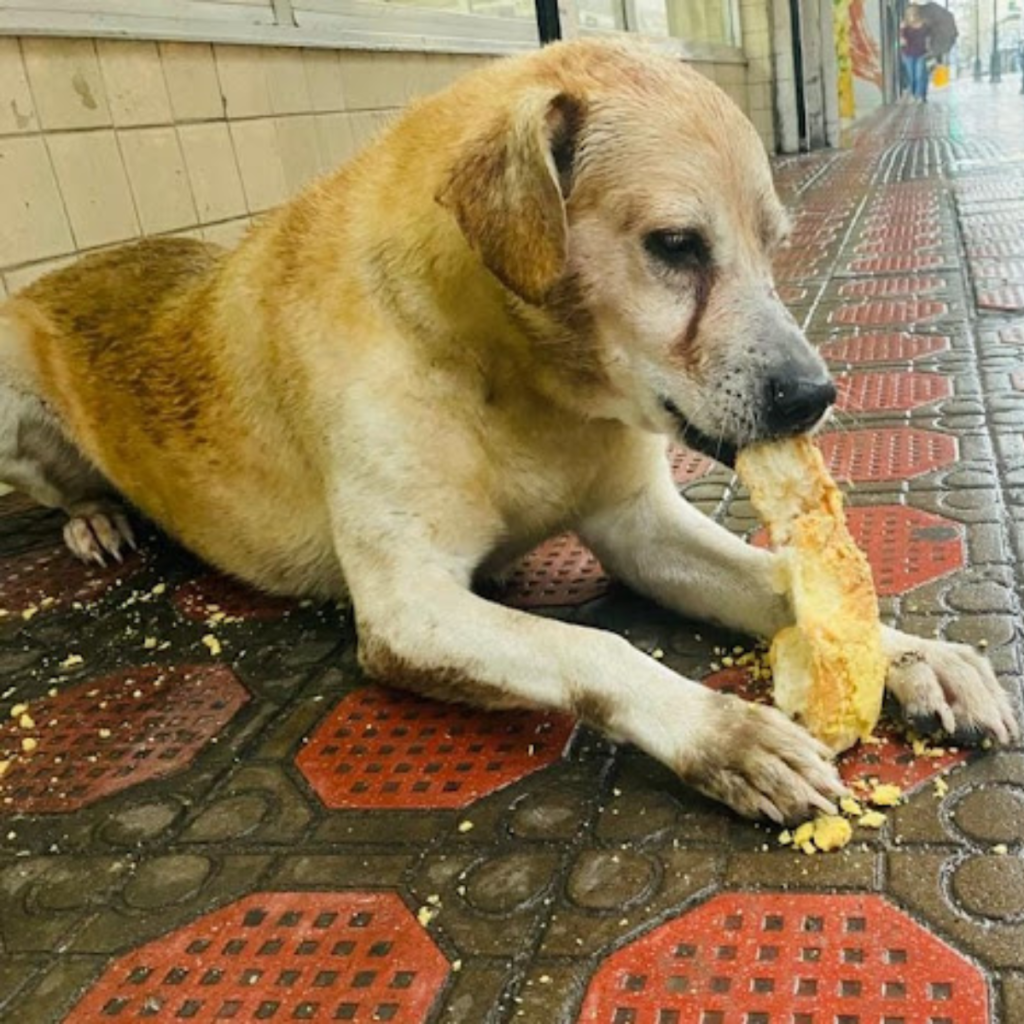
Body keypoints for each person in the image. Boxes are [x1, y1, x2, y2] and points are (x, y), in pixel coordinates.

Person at [901, 4, 931, 102]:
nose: (912, 16)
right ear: (907, 15)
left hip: (921, 54)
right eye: (909, 14)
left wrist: (929, 50)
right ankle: (914, 94)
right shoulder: (904, 26)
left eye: (914, 13)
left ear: (918, 14)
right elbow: (901, 41)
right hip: (908, 54)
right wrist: (901, 30)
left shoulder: (925, 25)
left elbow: (928, 39)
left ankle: (918, 96)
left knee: (919, 75)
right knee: (911, 77)